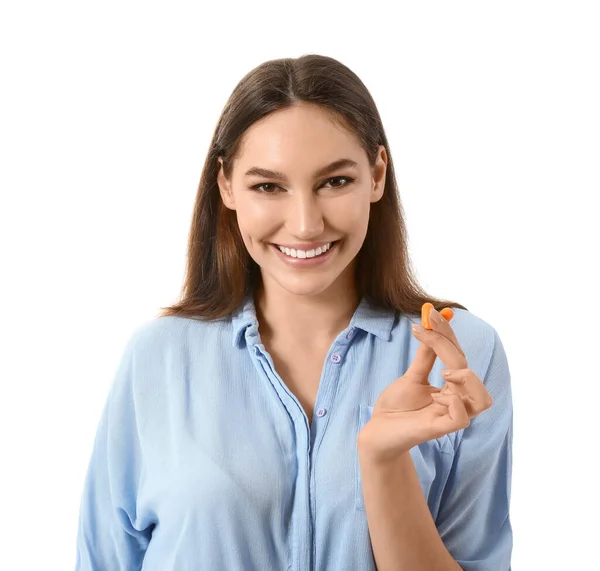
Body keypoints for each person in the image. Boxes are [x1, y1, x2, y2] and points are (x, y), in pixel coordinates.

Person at [74, 54, 513, 571]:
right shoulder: (159, 357)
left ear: (376, 175)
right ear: (227, 187)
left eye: (335, 182)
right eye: (268, 186)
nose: (305, 224)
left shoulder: (462, 355)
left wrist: (382, 461)